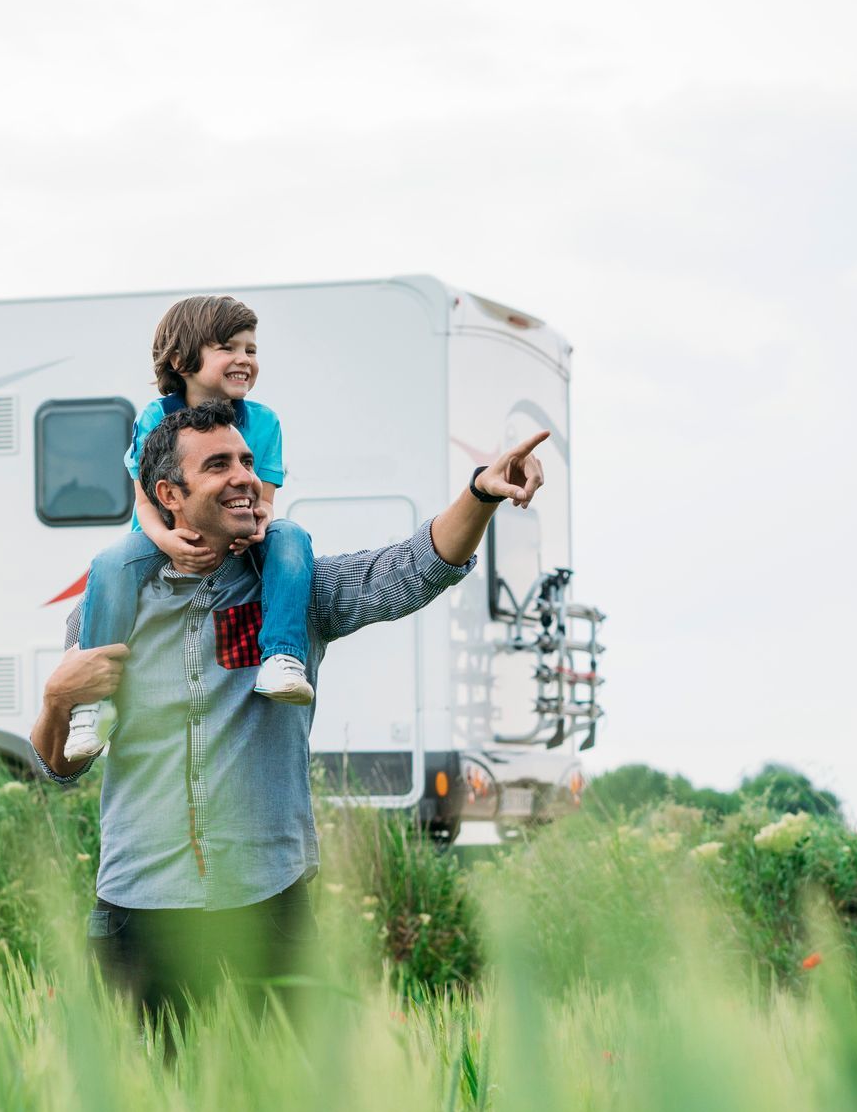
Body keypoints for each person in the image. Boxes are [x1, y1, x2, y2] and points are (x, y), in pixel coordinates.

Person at [31, 402, 549, 1032]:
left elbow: (410, 568)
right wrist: (59, 697)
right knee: (141, 1108)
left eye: (248, 461)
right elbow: (57, 767)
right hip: (135, 912)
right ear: (170, 492)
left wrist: (480, 495)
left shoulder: (292, 589)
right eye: (219, 464)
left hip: (267, 908)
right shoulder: (108, 605)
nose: (245, 476)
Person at [63, 295, 315, 762]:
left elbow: (262, 500)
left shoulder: (264, 421)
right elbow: (143, 497)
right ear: (181, 361)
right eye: (227, 347)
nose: (243, 359)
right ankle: (93, 705)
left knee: (291, 537)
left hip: (236, 534)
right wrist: (167, 541)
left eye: (251, 350)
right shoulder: (155, 417)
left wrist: (253, 526)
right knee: (112, 561)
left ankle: (281, 656)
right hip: (161, 535)